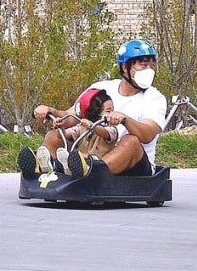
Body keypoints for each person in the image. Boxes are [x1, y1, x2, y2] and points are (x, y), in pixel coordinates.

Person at [18, 40, 167, 179]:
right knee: (54, 136)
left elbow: (147, 134)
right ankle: (46, 167)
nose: (149, 70)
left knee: (132, 141)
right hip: (93, 151)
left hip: (134, 166)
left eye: (152, 65)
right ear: (125, 67)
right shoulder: (101, 88)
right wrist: (51, 112)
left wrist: (125, 120)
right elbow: (71, 116)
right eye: (143, 65)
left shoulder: (155, 98)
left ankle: (91, 171)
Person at [33, 87, 127, 175]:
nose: (111, 114)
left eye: (112, 110)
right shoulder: (82, 127)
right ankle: (49, 166)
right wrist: (59, 127)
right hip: (79, 162)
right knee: (63, 147)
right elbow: (64, 134)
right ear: (95, 113)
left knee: (84, 161)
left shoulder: (112, 129)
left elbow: (105, 133)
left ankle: (66, 166)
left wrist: (92, 126)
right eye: (108, 111)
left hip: (96, 165)